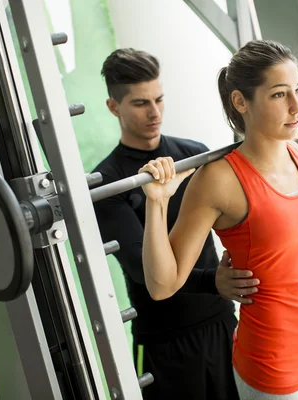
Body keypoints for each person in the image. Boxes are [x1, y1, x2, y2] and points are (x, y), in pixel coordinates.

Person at [138, 40, 298, 399]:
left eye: (297, 90)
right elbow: (162, 285)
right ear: (241, 102)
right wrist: (157, 204)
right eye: (279, 95)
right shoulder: (218, 179)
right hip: (273, 359)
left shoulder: (292, 149)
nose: (296, 106)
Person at [92, 48, 260, 400]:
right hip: (164, 343)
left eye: (159, 99)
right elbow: (143, 269)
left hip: (222, 323)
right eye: (140, 103)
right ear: (113, 107)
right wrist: (213, 281)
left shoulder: (194, 153)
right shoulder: (108, 182)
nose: (155, 113)